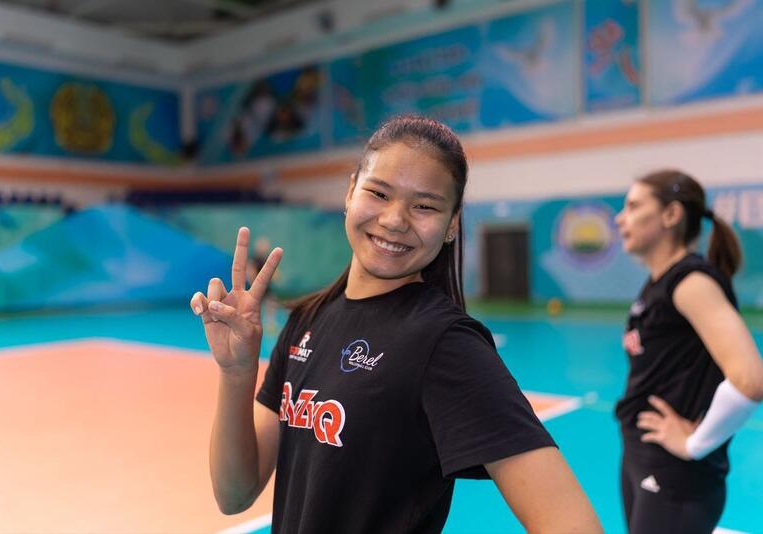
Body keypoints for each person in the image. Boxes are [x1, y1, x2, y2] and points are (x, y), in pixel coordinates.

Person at [192, 115, 602, 533]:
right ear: (351, 191)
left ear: (452, 224)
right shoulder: (306, 321)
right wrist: (236, 372)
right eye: (379, 192)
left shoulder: (445, 344)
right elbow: (234, 493)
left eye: (424, 206)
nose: (394, 220)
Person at [614, 169, 763, 534]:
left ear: (671, 215)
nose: (620, 218)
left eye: (633, 206)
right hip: (644, 457)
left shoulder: (691, 283)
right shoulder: (659, 283)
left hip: (676, 476)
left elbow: (750, 380)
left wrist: (695, 444)